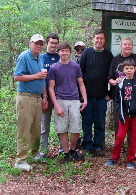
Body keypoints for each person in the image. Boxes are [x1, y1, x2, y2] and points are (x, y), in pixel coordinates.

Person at [104, 59, 136, 169]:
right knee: (120, 136)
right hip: (124, 115)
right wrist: (119, 109)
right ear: (123, 69)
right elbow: (116, 99)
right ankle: (114, 158)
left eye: (131, 68)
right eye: (127, 68)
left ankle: (130, 160)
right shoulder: (120, 83)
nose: (129, 70)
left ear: (135, 69)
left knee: (133, 137)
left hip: (135, 114)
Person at [48, 42, 88, 163]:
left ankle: (73, 150)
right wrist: (56, 105)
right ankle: (65, 153)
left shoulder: (75, 66)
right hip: (61, 100)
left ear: (70, 52)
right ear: (58, 52)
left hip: (75, 100)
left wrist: (85, 100)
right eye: (62, 51)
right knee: (63, 129)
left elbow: (81, 84)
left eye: (67, 51)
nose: (65, 53)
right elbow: (50, 88)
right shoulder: (54, 68)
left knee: (75, 128)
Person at [13, 34, 48, 171]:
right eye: (36, 43)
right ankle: (20, 160)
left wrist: (44, 96)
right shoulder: (24, 57)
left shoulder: (40, 58)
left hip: (37, 98)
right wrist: (36, 76)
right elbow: (17, 77)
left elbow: (43, 79)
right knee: (24, 128)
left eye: (40, 44)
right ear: (30, 43)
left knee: (36, 129)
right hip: (25, 98)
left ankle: (34, 154)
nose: (38, 46)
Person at [79, 29, 113, 155]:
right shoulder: (87, 53)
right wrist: (80, 95)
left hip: (101, 96)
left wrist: (111, 93)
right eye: (97, 38)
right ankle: (87, 144)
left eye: (101, 38)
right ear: (94, 39)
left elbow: (112, 75)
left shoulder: (108, 55)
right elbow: (80, 74)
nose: (99, 40)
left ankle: (98, 145)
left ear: (104, 40)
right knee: (87, 121)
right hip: (87, 96)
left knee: (99, 121)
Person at [108, 37, 136, 134]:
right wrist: (117, 82)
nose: (127, 46)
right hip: (120, 99)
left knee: (132, 130)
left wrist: (129, 79)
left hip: (134, 98)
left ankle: (131, 147)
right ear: (121, 46)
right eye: (125, 44)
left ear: (132, 46)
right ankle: (119, 147)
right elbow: (110, 79)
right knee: (120, 126)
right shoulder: (115, 60)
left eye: (129, 44)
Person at [39, 33, 60, 158]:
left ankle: (63, 149)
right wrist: (44, 97)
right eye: (51, 43)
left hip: (58, 96)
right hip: (44, 96)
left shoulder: (60, 57)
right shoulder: (41, 58)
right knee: (44, 125)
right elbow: (40, 78)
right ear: (47, 43)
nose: (53, 45)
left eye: (55, 43)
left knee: (61, 125)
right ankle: (43, 151)